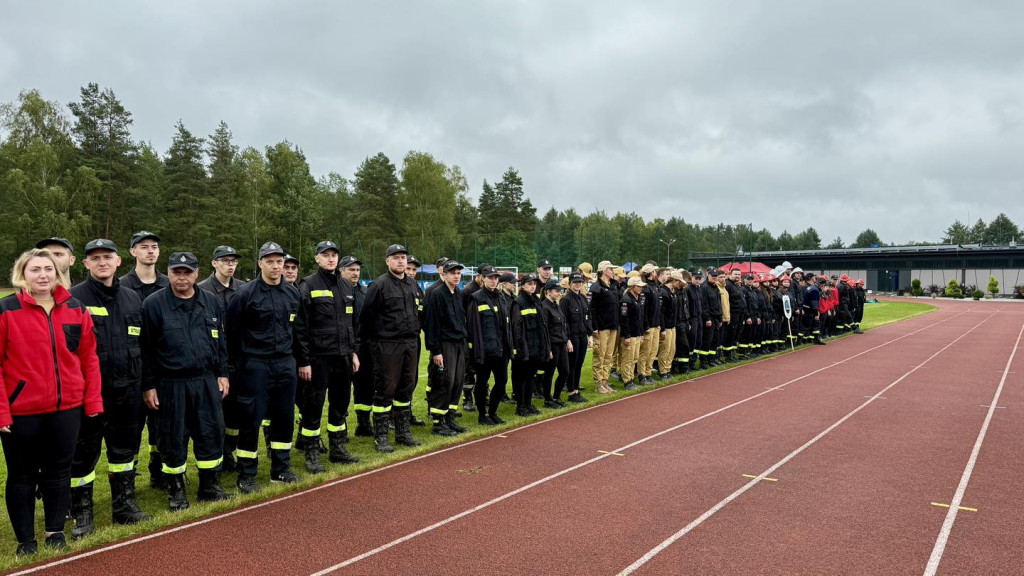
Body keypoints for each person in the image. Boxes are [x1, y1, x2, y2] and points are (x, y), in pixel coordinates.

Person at [1, 248, 103, 555]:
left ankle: (55, 531)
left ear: (57, 274)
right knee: (22, 477)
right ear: (23, 274)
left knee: (60, 472)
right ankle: (25, 540)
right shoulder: (6, 311)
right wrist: (2, 411)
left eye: (48, 269)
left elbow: (89, 359)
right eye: (35, 270)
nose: (43, 275)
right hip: (22, 412)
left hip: (66, 410)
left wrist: (92, 402)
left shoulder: (76, 308)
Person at [68, 239, 150, 540]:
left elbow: (143, 346)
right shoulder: (74, 299)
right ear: (86, 264)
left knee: (125, 451)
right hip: (90, 393)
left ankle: (124, 505)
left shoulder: (132, 298)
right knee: (83, 454)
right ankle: (82, 512)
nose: (102, 262)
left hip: (128, 390)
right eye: (95, 258)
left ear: (118, 262)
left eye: (107, 257)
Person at [141, 251, 232, 511]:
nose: (182, 277)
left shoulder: (211, 302)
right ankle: (176, 490)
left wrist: (223, 373)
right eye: (176, 272)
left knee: (210, 433)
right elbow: (145, 350)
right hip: (171, 383)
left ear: (197, 274)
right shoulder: (154, 304)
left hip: (206, 381)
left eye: (187, 272)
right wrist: (149, 385)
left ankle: (209, 485)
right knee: (173, 438)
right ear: (168, 273)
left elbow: (221, 342)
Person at [226, 242, 302, 493]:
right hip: (255, 364)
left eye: (279, 261)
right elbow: (232, 335)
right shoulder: (245, 295)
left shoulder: (292, 294)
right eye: (270, 261)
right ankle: (246, 474)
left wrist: (300, 362)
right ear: (260, 263)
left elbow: (298, 331)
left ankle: (280, 470)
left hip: (285, 364)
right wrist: (238, 367)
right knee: (251, 418)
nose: (276, 265)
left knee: (284, 417)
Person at [293, 241, 360, 473]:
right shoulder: (308, 285)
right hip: (318, 358)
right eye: (326, 255)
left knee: (340, 404)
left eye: (334, 255)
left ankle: (338, 448)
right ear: (317, 259)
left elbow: (352, 323)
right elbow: (300, 327)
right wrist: (304, 361)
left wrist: (353, 352)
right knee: (313, 406)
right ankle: (311, 453)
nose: (331, 259)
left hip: (343, 357)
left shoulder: (346, 285)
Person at [358, 244, 422, 452]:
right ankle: (382, 436)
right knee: (385, 389)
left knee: (406, 387)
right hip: (387, 345)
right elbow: (366, 318)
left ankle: (403, 433)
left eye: (403, 257)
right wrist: (374, 345)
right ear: (387, 261)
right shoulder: (379, 285)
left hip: (410, 343)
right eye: (395, 257)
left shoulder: (413, 285)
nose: (401, 261)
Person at [120, 230, 170, 488]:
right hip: (130, 370)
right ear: (132, 252)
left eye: (154, 247)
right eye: (144, 246)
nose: (150, 251)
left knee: (162, 425)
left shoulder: (169, 284)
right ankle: (127, 481)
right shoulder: (121, 285)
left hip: (163, 368)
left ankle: (159, 471)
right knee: (131, 429)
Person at [197, 245, 247, 472]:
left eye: (233, 261)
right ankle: (216, 456)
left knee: (236, 413)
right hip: (214, 361)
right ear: (214, 263)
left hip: (240, 359)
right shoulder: (202, 290)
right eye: (225, 260)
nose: (230, 265)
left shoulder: (243, 289)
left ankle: (229, 453)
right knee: (216, 414)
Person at [423, 260, 469, 436]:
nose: (456, 276)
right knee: (444, 381)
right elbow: (431, 324)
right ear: (444, 274)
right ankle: (438, 421)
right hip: (445, 344)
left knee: (457, 381)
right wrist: (436, 351)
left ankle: (450, 417)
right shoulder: (436, 295)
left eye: (458, 273)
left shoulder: (457, 294)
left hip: (459, 343)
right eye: (453, 273)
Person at [466, 265, 512, 425]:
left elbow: (506, 324)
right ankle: (482, 415)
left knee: (502, 381)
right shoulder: (476, 298)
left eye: (496, 278)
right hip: (485, 350)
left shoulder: (501, 297)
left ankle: (493, 412)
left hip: (501, 349)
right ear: (483, 278)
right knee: (482, 382)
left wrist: (509, 346)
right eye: (490, 278)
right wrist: (477, 350)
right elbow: (473, 327)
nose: (494, 280)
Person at [339, 255, 373, 437]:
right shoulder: (336, 290)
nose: (355, 273)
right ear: (341, 271)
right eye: (351, 269)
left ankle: (363, 422)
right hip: (343, 346)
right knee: (342, 388)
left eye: (358, 270)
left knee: (366, 385)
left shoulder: (365, 291)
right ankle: (340, 425)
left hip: (364, 345)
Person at [510, 274, 550, 416]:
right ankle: (521, 406)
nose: (533, 286)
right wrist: (520, 349)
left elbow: (542, 327)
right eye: (529, 283)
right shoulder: (519, 302)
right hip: (525, 348)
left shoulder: (536, 301)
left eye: (534, 283)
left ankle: (528, 404)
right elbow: (517, 329)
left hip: (536, 347)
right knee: (522, 378)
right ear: (522, 286)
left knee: (530, 377)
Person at [589, 261, 619, 394]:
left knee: (608, 356)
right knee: (599, 356)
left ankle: (605, 381)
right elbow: (592, 309)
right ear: (603, 270)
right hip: (601, 327)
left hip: (612, 326)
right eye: (611, 269)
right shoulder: (596, 288)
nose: (613, 271)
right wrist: (594, 327)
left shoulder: (612, 286)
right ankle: (598, 383)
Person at [560, 273, 591, 403]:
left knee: (579, 364)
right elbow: (563, 322)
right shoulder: (565, 300)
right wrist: (567, 340)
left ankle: (576, 389)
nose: (578, 284)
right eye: (575, 282)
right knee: (572, 365)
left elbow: (588, 318)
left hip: (582, 335)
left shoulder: (583, 298)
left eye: (580, 282)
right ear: (570, 284)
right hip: (572, 337)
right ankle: (571, 391)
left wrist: (590, 335)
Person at [539, 280, 571, 407]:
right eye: (557, 291)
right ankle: (547, 399)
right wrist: (548, 349)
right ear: (548, 292)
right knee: (549, 373)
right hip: (552, 344)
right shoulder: (544, 307)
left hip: (561, 343)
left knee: (565, 371)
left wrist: (567, 340)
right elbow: (544, 330)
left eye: (560, 291)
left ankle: (556, 396)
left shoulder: (556, 306)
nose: (560, 293)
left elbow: (563, 325)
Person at [404, 256, 428, 427]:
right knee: (394, 381)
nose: (411, 273)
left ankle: (407, 412)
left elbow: (422, 314)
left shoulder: (416, 288)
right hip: (394, 342)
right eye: (408, 269)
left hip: (414, 339)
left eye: (414, 270)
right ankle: (392, 415)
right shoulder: (386, 285)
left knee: (411, 379)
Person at [618, 275, 646, 389]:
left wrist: (641, 333)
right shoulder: (626, 300)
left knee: (634, 358)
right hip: (629, 335)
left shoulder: (636, 298)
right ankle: (627, 381)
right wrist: (627, 336)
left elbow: (639, 318)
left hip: (637, 334)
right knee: (627, 359)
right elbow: (624, 320)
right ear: (632, 287)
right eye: (638, 286)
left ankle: (631, 379)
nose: (640, 288)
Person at [637, 264, 661, 385]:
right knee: (645, 351)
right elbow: (643, 310)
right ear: (651, 273)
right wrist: (645, 326)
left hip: (656, 324)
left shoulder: (655, 286)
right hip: (649, 325)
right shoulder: (645, 288)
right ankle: (642, 375)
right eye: (654, 271)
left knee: (653, 351)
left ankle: (648, 372)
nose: (656, 272)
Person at [657, 269, 679, 380]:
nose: (679, 284)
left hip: (672, 326)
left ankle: (667, 369)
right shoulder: (663, 292)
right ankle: (662, 371)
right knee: (665, 350)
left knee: (671, 350)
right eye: (678, 282)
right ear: (673, 281)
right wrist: (663, 328)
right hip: (666, 326)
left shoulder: (672, 292)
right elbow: (661, 312)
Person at [701, 269, 723, 366]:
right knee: (707, 340)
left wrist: (720, 318)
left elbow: (718, 304)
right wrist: (707, 318)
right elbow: (704, 305)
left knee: (715, 340)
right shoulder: (704, 287)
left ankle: (711, 359)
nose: (714, 277)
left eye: (716, 276)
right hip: (709, 318)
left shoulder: (716, 287)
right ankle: (703, 361)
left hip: (716, 318)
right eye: (712, 275)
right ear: (708, 275)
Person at [686, 269, 704, 369]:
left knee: (698, 341)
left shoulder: (699, 289)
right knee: (691, 341)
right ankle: (688, 362)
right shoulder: (688, 289)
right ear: (691, 277)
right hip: (692, 319)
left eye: (699, 278)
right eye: (696, 278)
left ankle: (693, 361)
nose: (698, 280)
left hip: (699, 318)